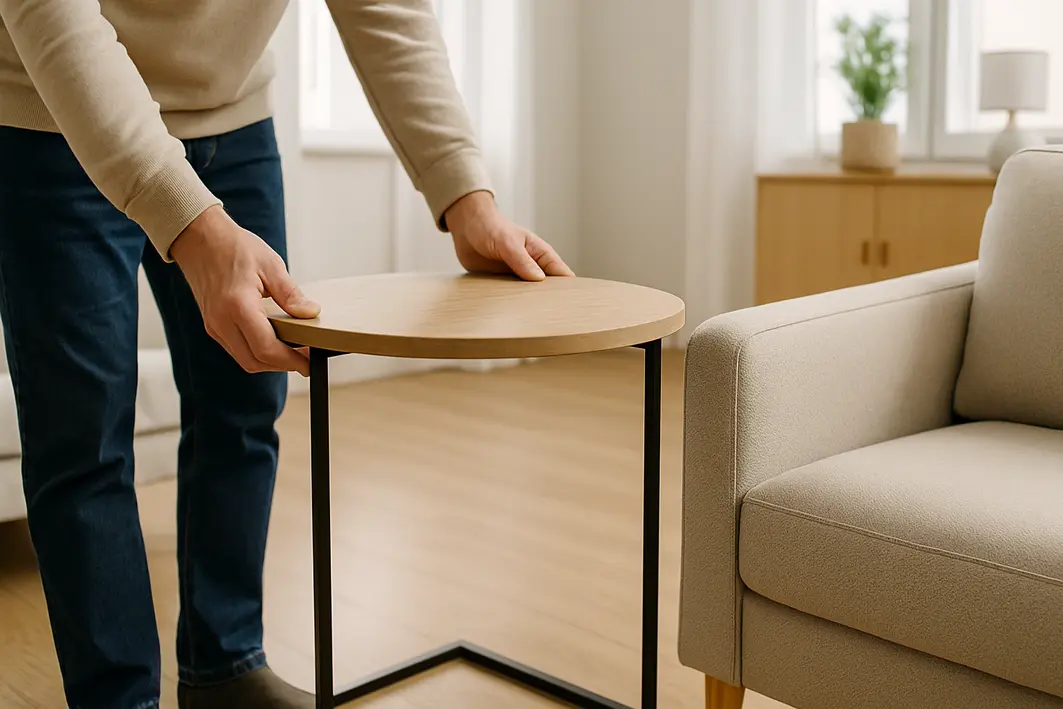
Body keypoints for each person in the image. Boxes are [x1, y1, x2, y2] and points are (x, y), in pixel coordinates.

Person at [0, 1, 573, 707]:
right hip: (51, 109)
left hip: (231, 118)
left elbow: (383, 7)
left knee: (244, 402)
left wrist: (465, 193)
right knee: (81, 439)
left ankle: (224, 669)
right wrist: (189, 221)